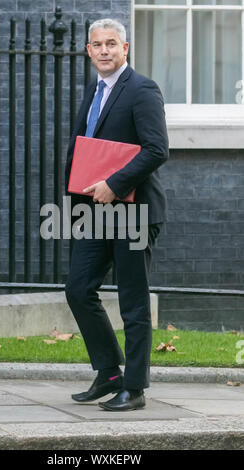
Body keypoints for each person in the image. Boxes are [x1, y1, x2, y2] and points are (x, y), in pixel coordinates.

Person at [64, 18, 169, 411]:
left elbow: (157, 149)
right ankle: (109, 372)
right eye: (97, 44)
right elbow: (86, 146)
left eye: (112, 43)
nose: (104, 50)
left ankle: (135, 387)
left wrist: (115, 183)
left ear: (126, 49)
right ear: (88, 51)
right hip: (95, 210)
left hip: (135, 210)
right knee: (78, 288)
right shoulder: (95, 88)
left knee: (133, 300)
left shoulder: (142, 89)